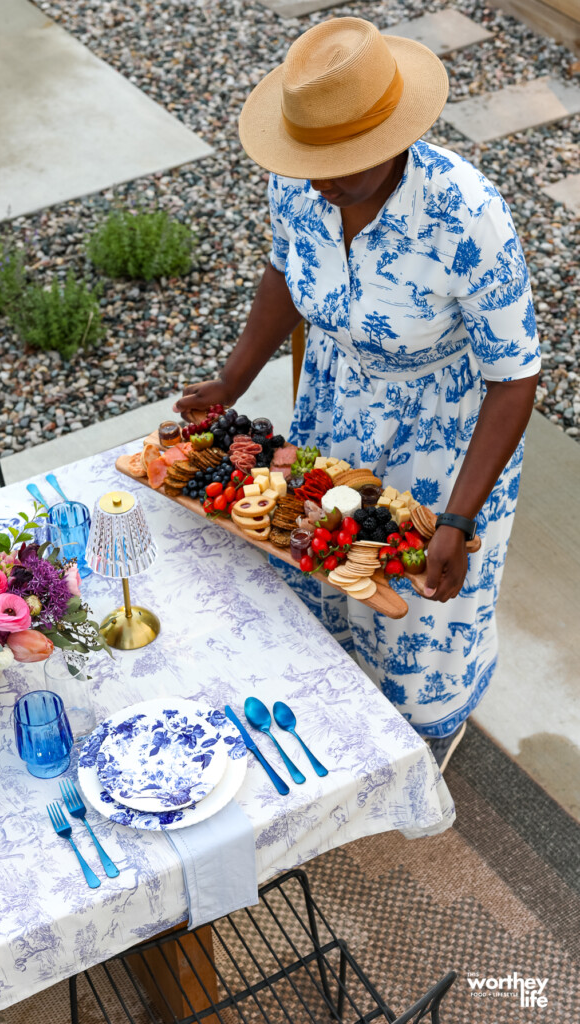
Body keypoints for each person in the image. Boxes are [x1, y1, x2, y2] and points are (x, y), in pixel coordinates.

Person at [174, 18, 540, 770]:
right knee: (326, 559)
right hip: (335, 402)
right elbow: (284, 269)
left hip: (443, 432)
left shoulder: (467, 215)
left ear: (392, 139)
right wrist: (231, 378)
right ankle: (341, 718)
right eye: (311, 162)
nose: (319, 183)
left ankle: (425, 734)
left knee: (416, 601)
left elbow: (514, 375)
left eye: (343, 165)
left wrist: (457, 518)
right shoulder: (300, 174)